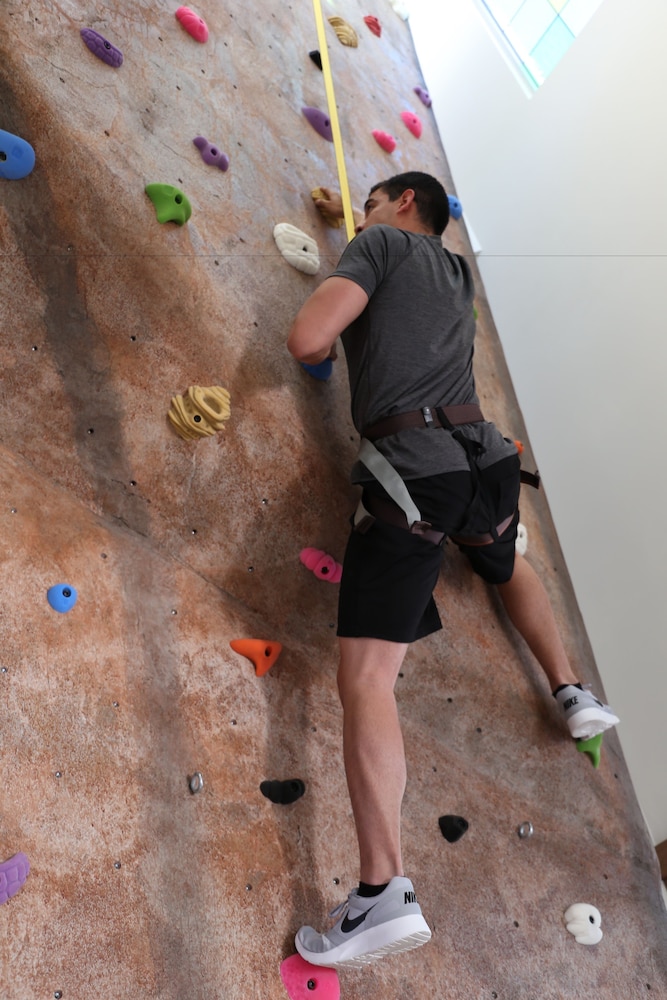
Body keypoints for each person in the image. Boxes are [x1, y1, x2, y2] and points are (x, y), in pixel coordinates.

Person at [286, 172, 619, 969]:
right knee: (499, 561)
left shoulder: (378, 242)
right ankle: (572, 692)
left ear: (402, 203)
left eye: (371, 200)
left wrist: (351, 262)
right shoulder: (455, 270)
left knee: (367, 679)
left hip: (415, 472)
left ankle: (381, 890)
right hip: (485, 463)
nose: (362, 213)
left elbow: (307, 339)